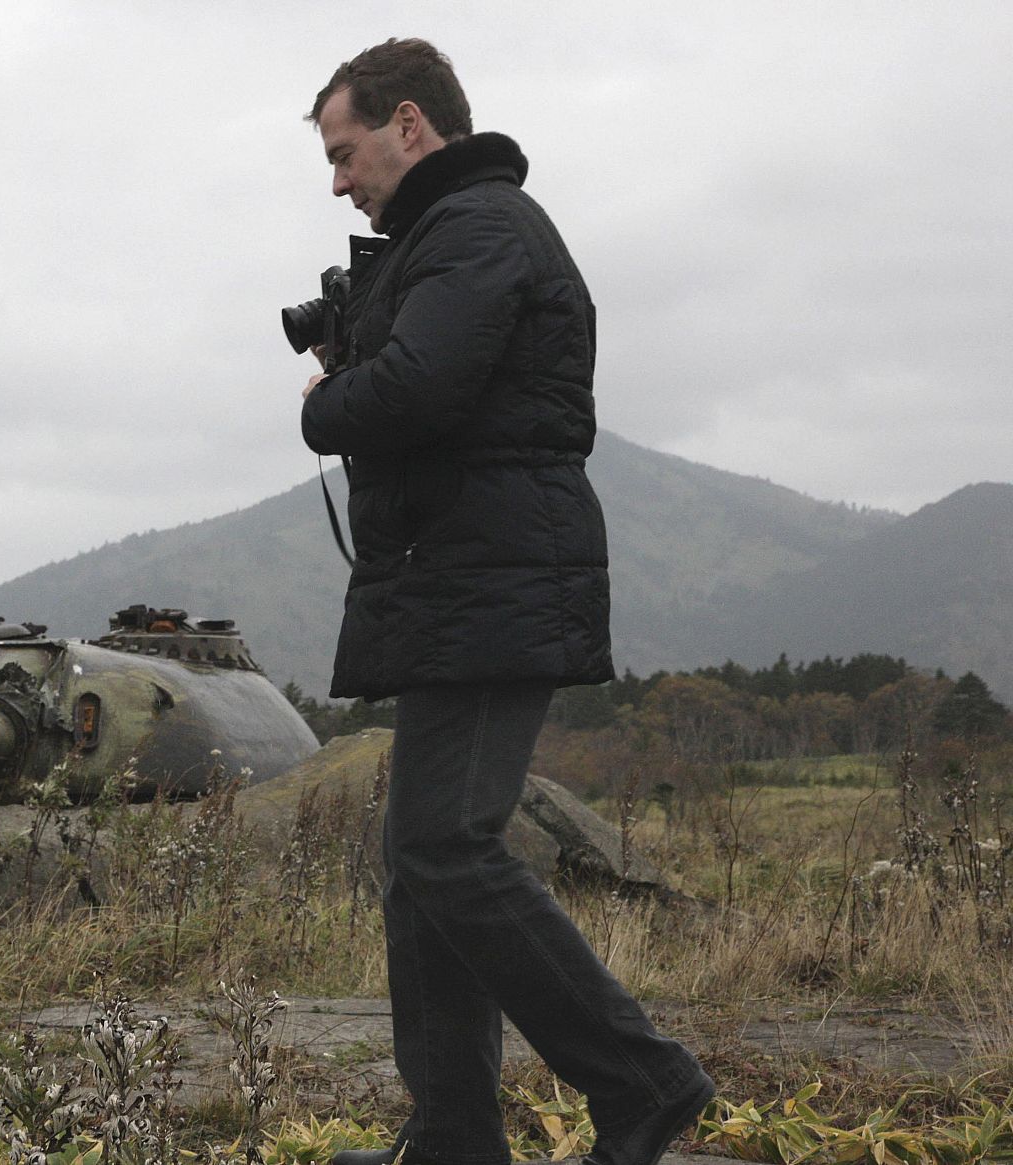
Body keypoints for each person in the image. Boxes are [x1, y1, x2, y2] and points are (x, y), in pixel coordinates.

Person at [297, 38, 715, 1165]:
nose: (337, 181)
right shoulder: (448, 233)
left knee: (447, 844)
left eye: (344, 152)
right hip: (460, 577)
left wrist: (325, 399)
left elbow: (418, 389)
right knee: (419, 864)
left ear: (410, 124)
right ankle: (452, 1137)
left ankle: (643, 1082)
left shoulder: (479, 227)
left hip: (492, 577)